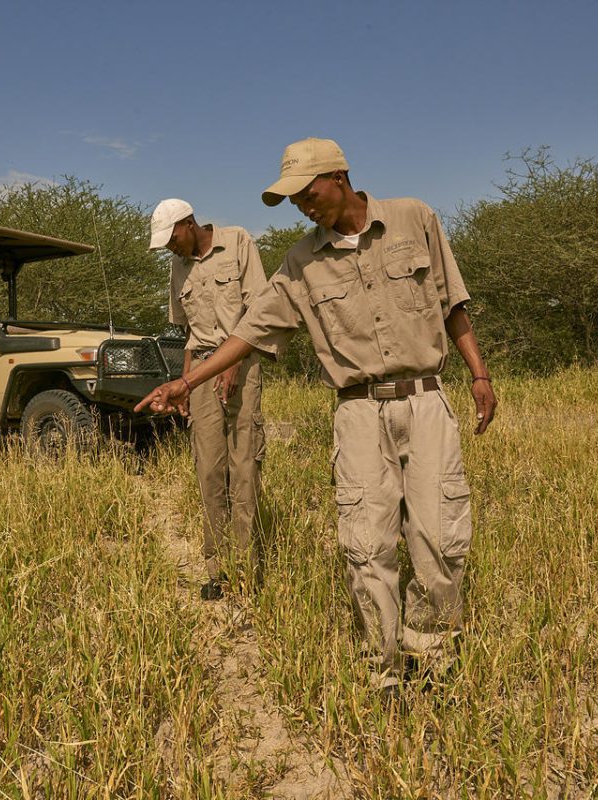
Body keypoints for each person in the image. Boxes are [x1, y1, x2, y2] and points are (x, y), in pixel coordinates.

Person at [136, 138, 497, 700]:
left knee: (439, 537)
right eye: (294, 200)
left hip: (427, 400)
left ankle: (433, 659)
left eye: (308, 193)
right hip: (356, 411)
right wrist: (188, 380)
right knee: (366, 543)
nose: (304, 206)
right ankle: (385, 669)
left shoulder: (414, 218)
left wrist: (478, 374)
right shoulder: (301, 262)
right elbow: (250, 330)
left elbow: (453, 304)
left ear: (340, 176)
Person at [149, 198, 269, 601]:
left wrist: (232, 363)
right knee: (209, 471)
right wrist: (184, 383)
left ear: (189, 223)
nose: (171, 248)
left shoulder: (238, 243)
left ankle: (246, 570)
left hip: (242, 362)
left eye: (172, 239)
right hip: (200, 372)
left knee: (243, 466)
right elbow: (188, 334)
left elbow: (259, 311)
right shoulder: (178, 266)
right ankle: (218, 570)